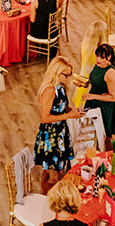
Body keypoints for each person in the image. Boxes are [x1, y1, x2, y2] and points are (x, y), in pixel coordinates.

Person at [34, 57, 82, 194]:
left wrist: (71, 110)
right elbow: (45, 118)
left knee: (54, 169)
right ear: (55, 72)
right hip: (51, 136)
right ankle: (48, 200)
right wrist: (69, 116)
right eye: (65, 74)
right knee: (54, 176)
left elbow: (62, 106)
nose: (68, 77)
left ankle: (48, 195)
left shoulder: (60, 87)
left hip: (60, 133)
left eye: (69, 74)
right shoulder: (49, 90)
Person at [82, 44, 115, 149]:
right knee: (90, 134)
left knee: (104, 137)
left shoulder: (110, 73)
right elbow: (97, 81)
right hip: (92, 101)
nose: (98, 59)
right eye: (97, 56)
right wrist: (84, 83)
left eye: (102, 57)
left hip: (104, 107)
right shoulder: (98, 65)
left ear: (109, 57)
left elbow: (114, 97)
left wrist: (92, 96)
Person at [73, 21, 108, 107]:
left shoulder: (84, 45)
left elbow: (81, 60)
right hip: (96, 86)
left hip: (83, 80)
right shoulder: (102, 53)